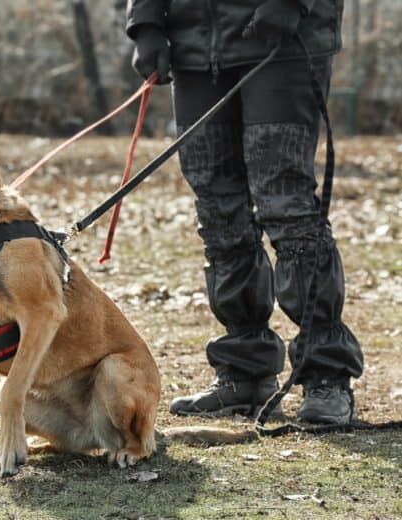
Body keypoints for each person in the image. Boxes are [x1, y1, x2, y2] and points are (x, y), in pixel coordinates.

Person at [124, 0, 363, 424]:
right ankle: (244, 369)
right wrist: (144, 21)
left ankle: (326, 373)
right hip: (194, 45)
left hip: (282, 38)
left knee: (286, 205)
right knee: (218, 212)